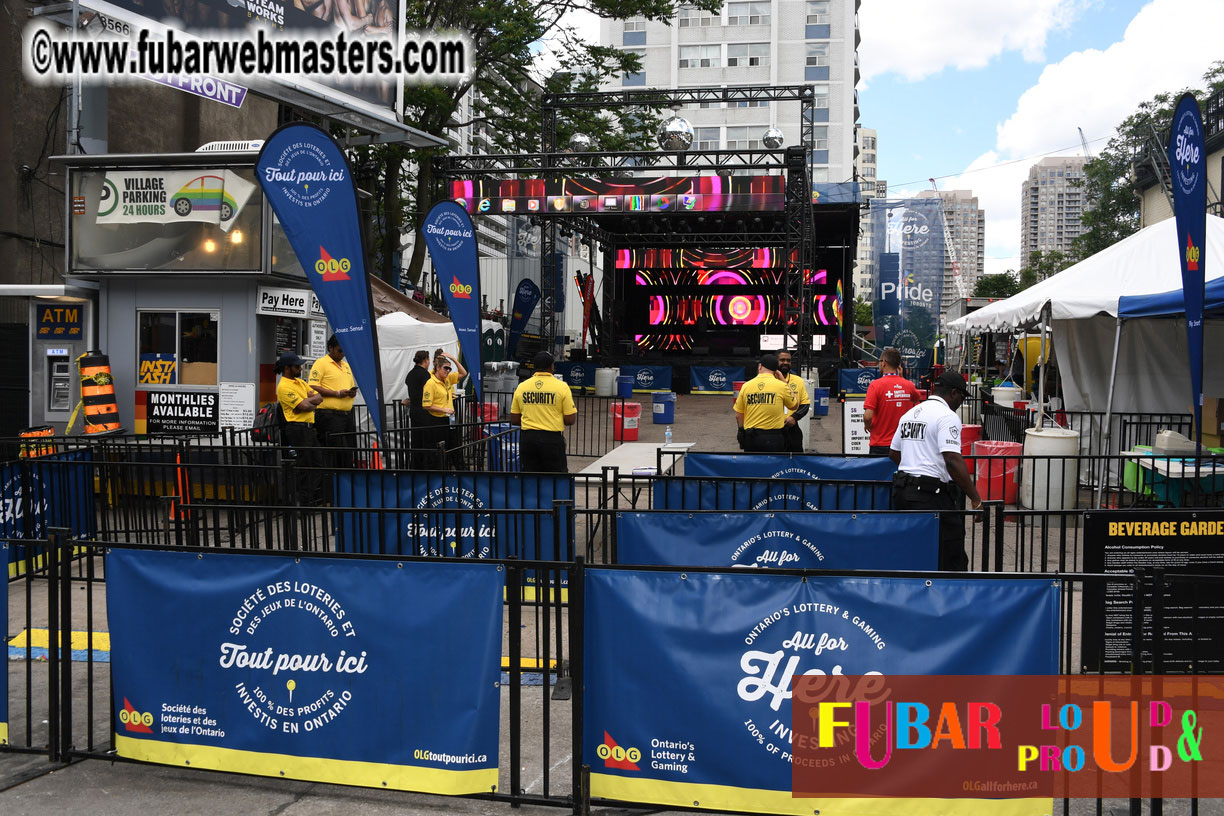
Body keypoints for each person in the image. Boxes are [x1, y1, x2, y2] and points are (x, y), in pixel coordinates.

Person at [888, 371, 984, 571]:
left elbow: (894, 452)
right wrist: (975, 498)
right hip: (930, 495)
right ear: (954, 393)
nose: (961, 403)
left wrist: (914, 464)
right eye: (962, 397)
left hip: (903, 492)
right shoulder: (947, 416)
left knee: (913, 553)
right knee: (951, 556)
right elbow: (952, 460)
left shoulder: (910, 414)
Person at [510, 351, 578, 473]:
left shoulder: (522, 387)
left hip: (528, 438)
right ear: (552, 367)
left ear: (534, 367)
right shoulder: (562, 387)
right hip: (552, 439)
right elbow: (570, 419)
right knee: (556, 477)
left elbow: (514, 419)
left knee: (530, 477)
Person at [275, 351, 323, 503]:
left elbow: (319, 397)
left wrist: (307, 404)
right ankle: (302, 502)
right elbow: (305, 405)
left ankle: (308, 499)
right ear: (287, 368)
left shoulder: (300, 382)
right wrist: (307, 404)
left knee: (317, 464)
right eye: (297, 366)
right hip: (297, 429)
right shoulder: (283, 386)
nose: (300, 369)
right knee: (305, 466)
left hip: (307, 428)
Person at [309, 335, 358, 471]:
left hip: (346, 415)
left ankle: (344, 479)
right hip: (329, 415)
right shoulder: (321, 363)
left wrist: (351, 393)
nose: (342, 354)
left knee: (348, 452)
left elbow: (348, 385)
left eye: (344, 351)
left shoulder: (346, 366)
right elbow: (313, 386)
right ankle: (333, 479)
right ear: (330, 348)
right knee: (335, 452)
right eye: (340, 350)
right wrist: (336, 394)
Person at [733, 354, 797, 452]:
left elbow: (739, 414)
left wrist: (741, 431)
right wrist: (784, 381)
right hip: (775, 437)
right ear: (776, 371)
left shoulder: (746, 386)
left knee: (752, 462)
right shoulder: (781, 386)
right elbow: (794, 405)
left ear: (760, 366)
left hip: (752, 437)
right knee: (774, 462)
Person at [863, 347, 920, 455]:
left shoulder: (875, 385)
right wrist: (901, 379)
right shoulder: (908, 385)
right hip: (903, 444)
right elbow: (917, 400)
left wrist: (867, 424)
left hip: (880, 444)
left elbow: (868, 416)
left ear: (884, 363)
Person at [419, 354, 459, 468]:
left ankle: (450, 466)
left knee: (451, 445)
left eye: (450, 368)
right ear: (438, 368)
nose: (448, 371)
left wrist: (454, 359)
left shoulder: (447, 380)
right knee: (438, 447)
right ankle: (439, 469)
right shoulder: (430, 383)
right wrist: (444, 409)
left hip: (448, 419)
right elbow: (426, 405)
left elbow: (463, 373)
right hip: (437, 420)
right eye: (446, 368)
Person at [776, 350, 811, 453]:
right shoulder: (768, 381)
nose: (786, 363)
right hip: (773, 430)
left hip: (792, 429)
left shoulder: (798, 381)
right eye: (782, 360)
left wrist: (794, 417)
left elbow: (805, 404)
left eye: (788, 360)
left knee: (797, 459)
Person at [403, 349, 432, 467]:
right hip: (424, 411)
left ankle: (415, 465)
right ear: (426, 360)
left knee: (416, 439)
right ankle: (426, 466)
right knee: (426, 440)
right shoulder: (425, 375)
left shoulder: (410, 374)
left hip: (414, 410)